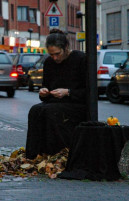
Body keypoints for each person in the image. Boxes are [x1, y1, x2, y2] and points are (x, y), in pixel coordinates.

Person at [25, 29, 87, 159]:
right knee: (35, 110)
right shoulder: (49, 62)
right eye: (51, 54)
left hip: (75, 103)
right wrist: (43, 92)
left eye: (57, 54)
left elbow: (88, 91)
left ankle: (58, 153)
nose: (55, 58)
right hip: (55, 102)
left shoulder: (80, 59)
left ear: (66, 48)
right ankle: (35, 154)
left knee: (51, 112)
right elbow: (46, 86)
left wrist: (68, 92)